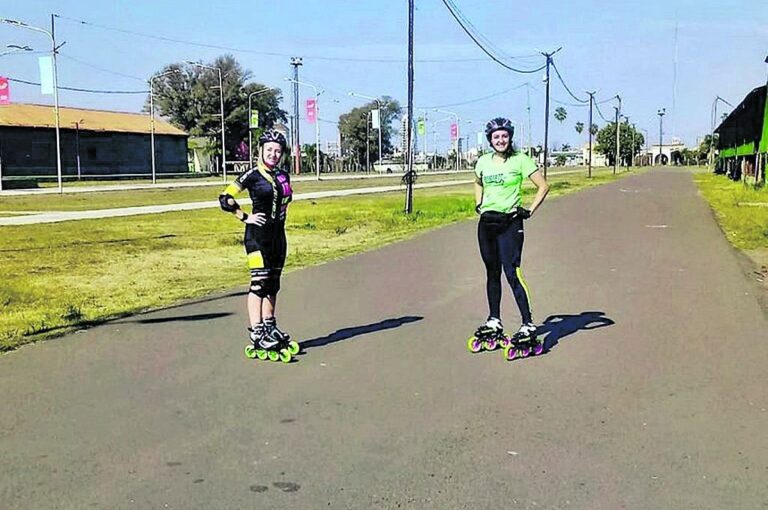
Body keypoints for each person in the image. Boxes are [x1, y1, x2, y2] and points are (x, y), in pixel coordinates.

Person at [218, 129, 297, 359]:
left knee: (273, 284)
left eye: (277, 151)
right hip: (256, 237)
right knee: (259, 284)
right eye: (269, 150)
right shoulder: (252, 175)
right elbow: (225, 198)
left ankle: (269, 325)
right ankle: (257, 331)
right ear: (260, 150)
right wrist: (244, 216)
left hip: (277, 237)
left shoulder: (284, 175)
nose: (273, 154)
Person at [473, 117, 549, 344]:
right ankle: (494, 320)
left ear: (510, 137)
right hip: (487, 224)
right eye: (496, 137)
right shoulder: (483, 162)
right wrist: (479, 204)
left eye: (504, 136)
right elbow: (478, 182)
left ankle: (528, 323)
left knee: (511, 272)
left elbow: (543, 186)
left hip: (510, 223)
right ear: (490, 140)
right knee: (492, 272)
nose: (500, 140)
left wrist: (530, 211)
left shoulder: (521, 160)